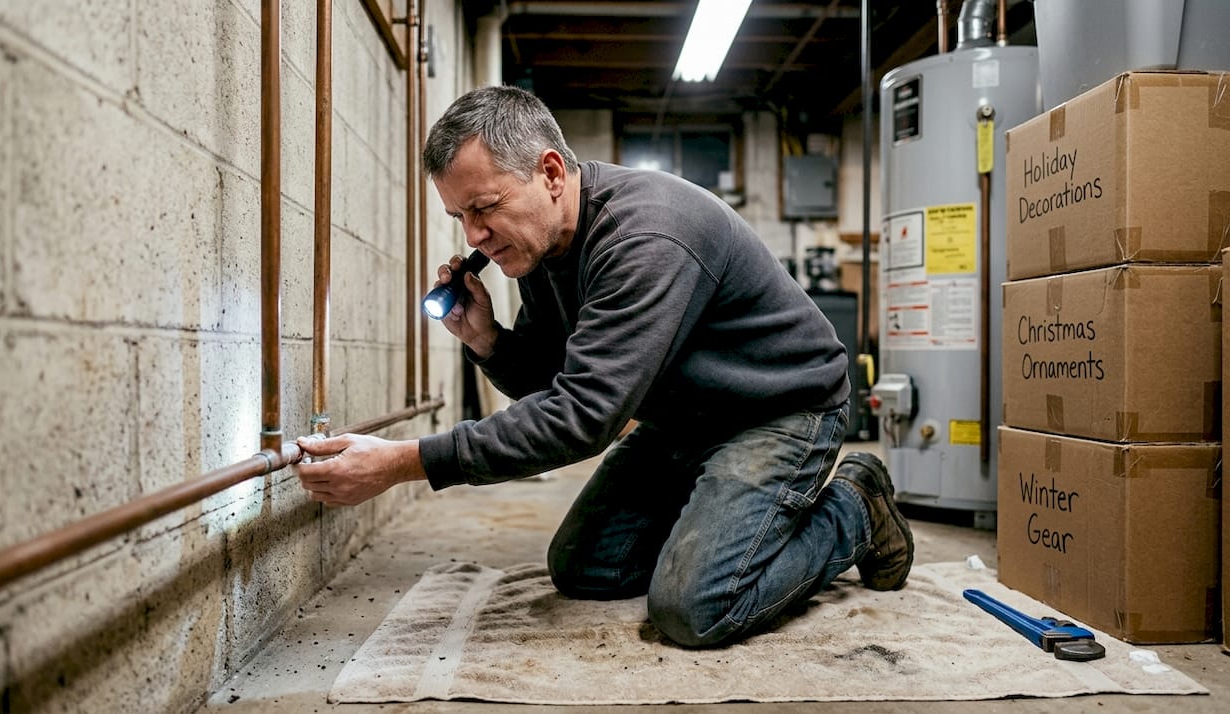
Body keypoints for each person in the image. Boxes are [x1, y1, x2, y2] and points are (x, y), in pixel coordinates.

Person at [296, 85, 914, 648]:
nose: (475, 234)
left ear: (552, 172)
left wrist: (405, 462)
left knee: (694, 608)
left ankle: (854, 506)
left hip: (780, 410)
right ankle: (724, 520)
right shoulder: (538, 248)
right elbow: (554, 384)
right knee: (585, 567)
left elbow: (582, 418)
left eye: (484, 207)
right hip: (685, 419)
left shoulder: (645, 239)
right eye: (460, 217)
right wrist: (486, 341)